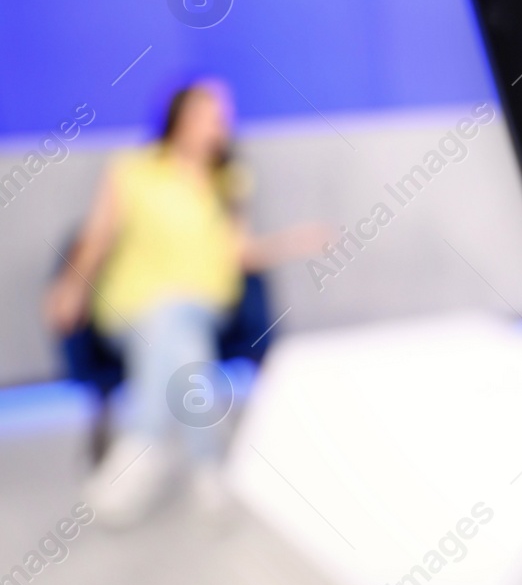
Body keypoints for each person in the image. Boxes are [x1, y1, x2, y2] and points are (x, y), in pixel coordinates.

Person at [43, 79, 326, 526]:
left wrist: (294, 242)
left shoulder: (229, 179)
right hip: (131, 309)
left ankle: (140, 451)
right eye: (213, 117)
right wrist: (71, 287)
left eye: (223, 119)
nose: (221, 127)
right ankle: (206, 467)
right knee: (180, 338)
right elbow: (97, 237)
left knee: (177, 321)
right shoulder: (132, 170)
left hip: (206, 303)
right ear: (182, 119)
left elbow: (240, 253)